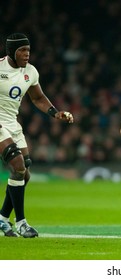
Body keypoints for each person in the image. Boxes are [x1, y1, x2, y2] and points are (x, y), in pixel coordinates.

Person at [0, 33, 74, 238]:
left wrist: (55, 113)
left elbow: (38, 97)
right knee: (17, 165)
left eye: (28, 50)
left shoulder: (30, 71)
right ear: (11, 52)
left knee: (25, 173)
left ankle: (2, 218)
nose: (27, 54)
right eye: (22, 50)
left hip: (12, 124)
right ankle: (22, 223)